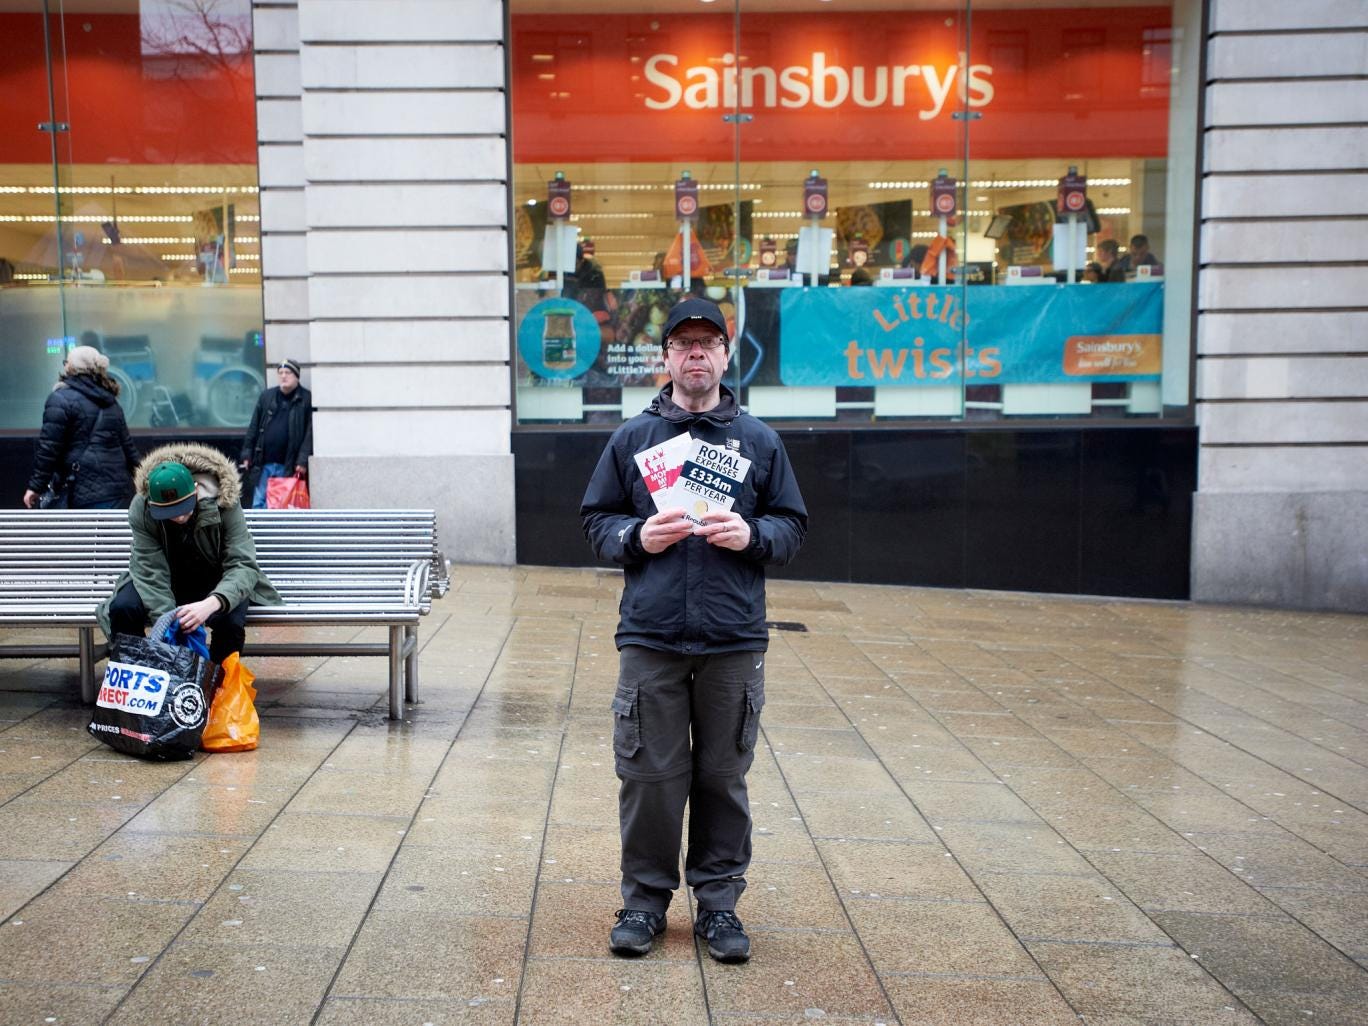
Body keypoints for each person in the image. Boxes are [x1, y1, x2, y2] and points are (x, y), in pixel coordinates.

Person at [580, 297, 807, 964]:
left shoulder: (760, 442)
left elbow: (793, 526)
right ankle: (645, 905)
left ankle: (719, 908)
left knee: (722, 778)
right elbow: (596, 521)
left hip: (734, 638)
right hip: (650, 636)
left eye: (709, 342)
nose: (697, 353)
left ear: (725, 354)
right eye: (685, 344)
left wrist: (755, 534)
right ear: (667, 358)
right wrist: (635, 534)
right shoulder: (632, 440)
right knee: (649, 779)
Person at [98, 443, 282, 664]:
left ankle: (215, 684)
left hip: (217, 579)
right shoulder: (143, 508)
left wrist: (213, 603)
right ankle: (140, 677)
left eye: (183, 508)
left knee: (230, 621)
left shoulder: (225, 501)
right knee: (123, 608)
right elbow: (150, 571)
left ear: (195, 490)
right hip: (165, 579)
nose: (178, 517)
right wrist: (169, 626)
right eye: (168, 512)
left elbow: (243, 564)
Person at [23, 345, 139, 510]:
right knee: (107, 535)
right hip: (114, 489)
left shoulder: (60, 399)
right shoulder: (111, 401)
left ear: (71, 368)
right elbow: (128, 448)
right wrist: (145, 480)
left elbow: (49, 449)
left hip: (80, 488)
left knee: (82, 535)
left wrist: (36, 487)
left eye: (66, 362)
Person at [239, 358, 312, 508]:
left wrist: (302, 460)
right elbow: (254, 426)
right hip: (263, 463)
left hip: (288, 465)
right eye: (280, 373)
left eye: (288, 372)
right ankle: (257, 532)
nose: (283, 376)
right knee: (259, 503)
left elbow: (309, 433)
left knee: (280, 504)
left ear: (296, 376)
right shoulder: (267, 397)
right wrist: (247, 453)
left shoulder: (305, 399)